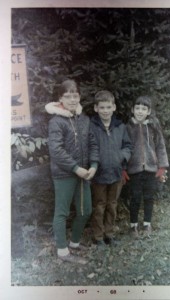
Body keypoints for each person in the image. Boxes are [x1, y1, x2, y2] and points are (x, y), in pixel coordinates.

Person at [45, 79, 99, 264]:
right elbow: (56, 150)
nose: (72, 99)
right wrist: (76, 168)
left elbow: (92, 143)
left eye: (75, 95)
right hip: (64, 175)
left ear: (79, 97)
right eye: (67, 96)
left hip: (85, 173)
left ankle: (74, 243)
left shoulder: (84, 119)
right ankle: (62, 251)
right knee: (62, 212)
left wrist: (93, 166)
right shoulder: (56, 121)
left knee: (86, 211)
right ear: (60, 98)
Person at [90, 90, 132, 246]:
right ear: (96, 108)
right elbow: (88, 147)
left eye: (108, 107)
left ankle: (109, 234)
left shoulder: (120, 126)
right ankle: (98, 237)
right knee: (99, 205)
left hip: (116, 173)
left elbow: (128, 146)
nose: (105, 111)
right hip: (99, 174)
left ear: (114, 107)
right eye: (102, 107)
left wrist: (120, 157)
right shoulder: (91, 126)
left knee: (112, 204)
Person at [126, 95, 169, 238]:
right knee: (135, 198)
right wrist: (123, 168)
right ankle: (133, 226)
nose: (140, 111)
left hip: (151, 169)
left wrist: (162, 167)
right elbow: (123, 149)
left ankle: (147, 224)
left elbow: (160, 146)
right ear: (132, 110)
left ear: (149, 111)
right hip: (134, 170)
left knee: (149, 197)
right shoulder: (128, 127)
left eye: (143, 109)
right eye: (137, 108)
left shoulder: (153, 126)